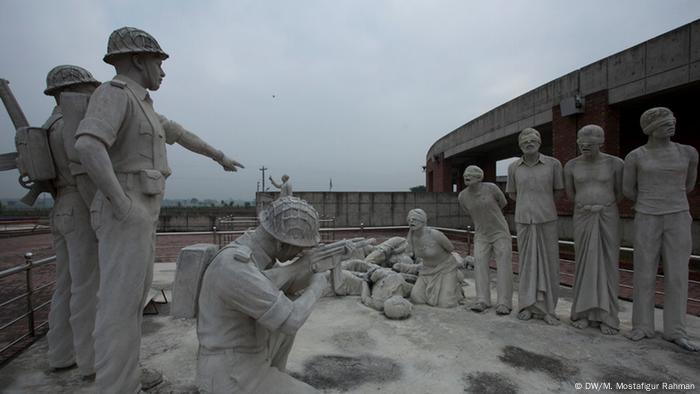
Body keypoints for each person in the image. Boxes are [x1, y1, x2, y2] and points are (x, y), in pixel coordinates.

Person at [74, 26, 244, 393]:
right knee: (118, 304)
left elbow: (180, 133)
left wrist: (219, 157)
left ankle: (127, 374)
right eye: (158, 62)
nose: (163, 72)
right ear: (137, 59)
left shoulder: (142, 104)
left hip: (141, 207)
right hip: (128, 205)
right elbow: (88, 146)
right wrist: (122, 204)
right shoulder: (113, 93)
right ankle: (116, 386)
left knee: (133, 299)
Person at [196, 197, 340, 393]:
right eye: (299, 249)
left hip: (244, 356)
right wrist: (317, 285)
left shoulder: (255, 255)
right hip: (231, 374)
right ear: (281, 244)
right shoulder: (235, 267)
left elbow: (280, 284)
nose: (300, 254)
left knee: (284, 310)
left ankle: (274, 378)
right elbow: (292, 320)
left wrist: (310, 266)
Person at [623, 107, 698, 352]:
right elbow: (628, 190)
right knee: (644, 271)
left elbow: (688, 185)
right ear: (650, 129)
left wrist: (668, 201)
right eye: (665, 123)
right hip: (646, 215)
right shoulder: (636, 156)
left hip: (677, 214)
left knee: (678, 274)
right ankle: (642, 325)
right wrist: (650, 202)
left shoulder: (688, 153)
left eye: (672, 122)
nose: (671, 125)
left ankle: (676, 330)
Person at [43, 65, 101, 378]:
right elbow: (82, 170)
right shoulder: (70, 124)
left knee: (64, 285)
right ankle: (91, 360)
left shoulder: (47, 126)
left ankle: (60, 352)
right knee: (87, 286)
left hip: (60, 206)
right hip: (78, 204)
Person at [564, 125, 623, 335]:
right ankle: (583, 312)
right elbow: (571, 194)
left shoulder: (615, 163)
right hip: (582, 215)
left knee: (607, 263)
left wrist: (602, 205)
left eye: (590, 140)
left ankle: (607, 316)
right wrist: (586, 205)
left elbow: (619, 192)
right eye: (581, 140)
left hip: (606, 215)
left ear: (601, 141)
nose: (584, 144)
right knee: (584, 262)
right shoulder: (571, 165)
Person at [506, 127, 564, 325]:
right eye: (524, 141)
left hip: (546, 218)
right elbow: (513, 193)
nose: (528, 143)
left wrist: (542, 205)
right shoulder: (514, 167)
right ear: (520, 145)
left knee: (550, 264)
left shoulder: (553, 164)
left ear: (539, 142)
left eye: (532, 140)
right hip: (523, 219)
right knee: (527, 264)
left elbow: (557, 191)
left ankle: (549, 309)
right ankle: (527, 305)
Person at [458, 165, 513, 315]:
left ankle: (504, 302)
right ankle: (482, 300)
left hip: (499, 231)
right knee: (480, 263)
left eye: (470, 174)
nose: (466, 176)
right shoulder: (463, 196)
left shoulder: (491, 188)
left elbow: (503, 203)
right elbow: (468, 211)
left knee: (503, 266)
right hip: (481, 234)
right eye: (465, 174)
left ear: (479, 177)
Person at [407, 208, 464, 307]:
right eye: (410, 219)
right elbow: (409, 252)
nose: (411, 221)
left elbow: (450, 248)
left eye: (415, 219)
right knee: (417, 298)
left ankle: (456, 288)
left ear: (423, 221)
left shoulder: (435, 234)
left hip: (446, 268)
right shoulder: (411, 237)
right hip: (426, 271)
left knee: (445, 303)